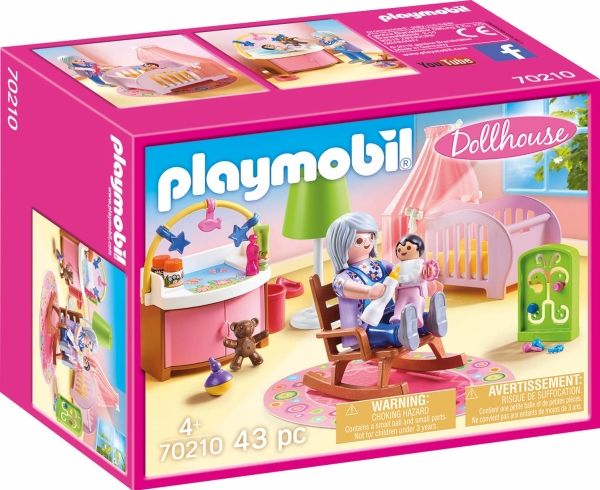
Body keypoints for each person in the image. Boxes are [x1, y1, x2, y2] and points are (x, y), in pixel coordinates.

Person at [326, 212, 419, 351]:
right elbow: (345, 287)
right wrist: (369, 291)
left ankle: (428, 320)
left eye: (371, 237)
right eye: (359, 241)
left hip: (390, 315)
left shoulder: (381, 265)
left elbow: (402, 273)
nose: (368, 242)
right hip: (363, 329)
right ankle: (403, 333)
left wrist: (421, 279)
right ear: (341, 245)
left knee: (414, 320)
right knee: (391, 332)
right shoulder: (342, 278)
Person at [392, 234, 448, 337]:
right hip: (402, 291)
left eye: (408, 248)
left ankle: (418, 316)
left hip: (416, 291)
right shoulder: (397, 266)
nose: (403, 251)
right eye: (399, 249)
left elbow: (426, 276)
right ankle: (397, 316)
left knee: (417, 302)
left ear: (419, 250)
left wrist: (428, 274)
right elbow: (393, 279)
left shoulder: (420, 264)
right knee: (400, 304)